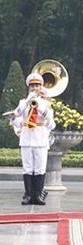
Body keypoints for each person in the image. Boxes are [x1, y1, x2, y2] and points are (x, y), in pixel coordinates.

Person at [9, 72, 56, 205]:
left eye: (37, 85)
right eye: (32, 86)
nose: (35, 88)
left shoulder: (46, 103)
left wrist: (39, 106)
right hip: (26, 138)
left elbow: (51, 123)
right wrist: (27, 102)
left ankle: (38, 195)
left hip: (40, 138)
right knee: (28, 167)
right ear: (28, 88)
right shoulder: (23, 103)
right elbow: (16, 119)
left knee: (40, 167)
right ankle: (28, 195)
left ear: (41, 87)